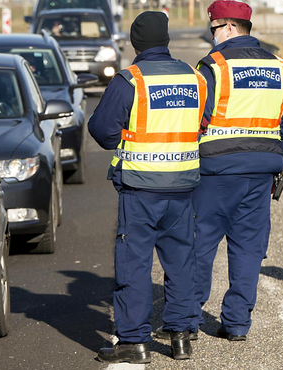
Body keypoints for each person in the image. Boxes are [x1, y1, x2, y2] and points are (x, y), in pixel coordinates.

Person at [88, 11, 207, 363]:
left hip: (141, 189)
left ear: (135, 43)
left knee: (134, 265)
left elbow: (102, 131)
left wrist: (128, 134)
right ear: (167, 40)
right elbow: (203, 119)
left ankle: (134, 341)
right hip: (184, 186)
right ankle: (181, 335)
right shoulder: (195, 78)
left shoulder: (131, 81)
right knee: (181, 261)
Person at [184, 0, 283, 342]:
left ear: (229, 28)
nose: (212, 36)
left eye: (214, 29)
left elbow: (195, 120)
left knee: (199, 245)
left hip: (215, 173)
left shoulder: (212, 67)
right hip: (262, 174)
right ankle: (236, 324)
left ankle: (188, 319)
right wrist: (278, 164)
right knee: (249, 249)